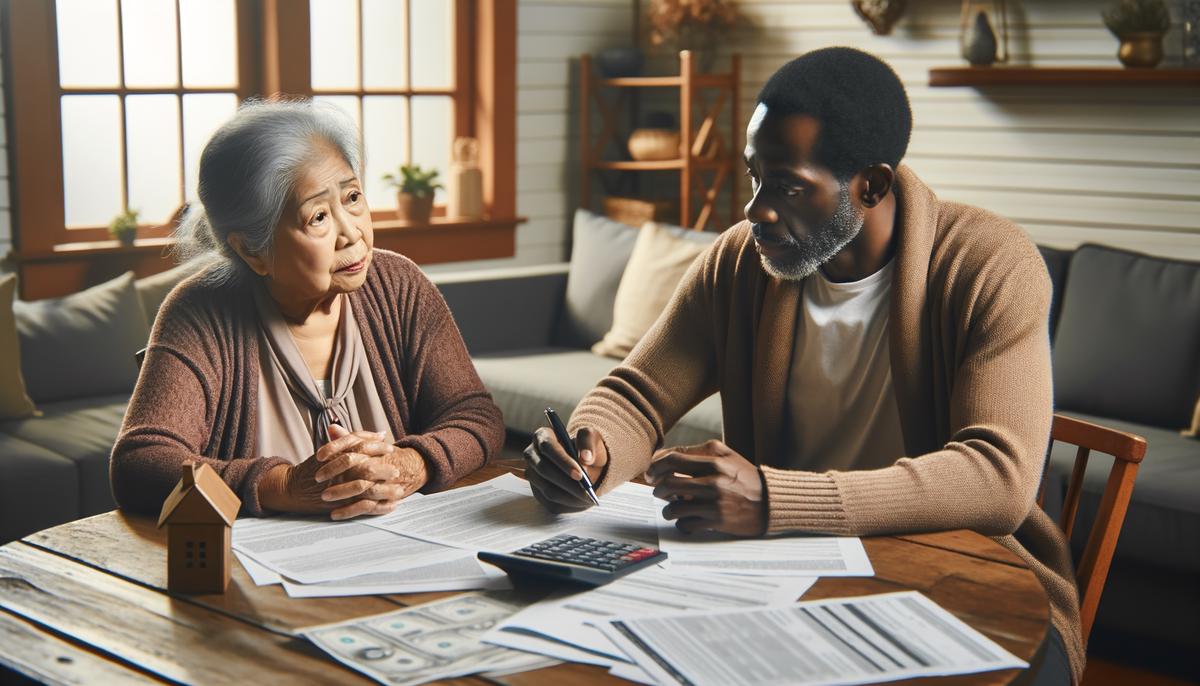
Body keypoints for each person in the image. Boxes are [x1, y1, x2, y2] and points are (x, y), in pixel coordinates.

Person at [523, 48, 1081, 684]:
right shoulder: (740, 262)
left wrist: (773, 498)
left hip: (965, 573)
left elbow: (997, 479)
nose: (755, 209)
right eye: (754, 177)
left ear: (869, 186)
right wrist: (592, 449)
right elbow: (639, 392)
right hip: (783, 569)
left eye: (787, 185)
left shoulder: (990, 264)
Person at [111, 100, 503, 521]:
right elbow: (140, 464)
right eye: (317, 217)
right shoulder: (200, 313)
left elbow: (476, 416)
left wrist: (411, 464)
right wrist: (281, 486)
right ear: (253, 250)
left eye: (353, 197)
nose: (352, 232)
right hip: (259, 576)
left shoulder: (399, 286)